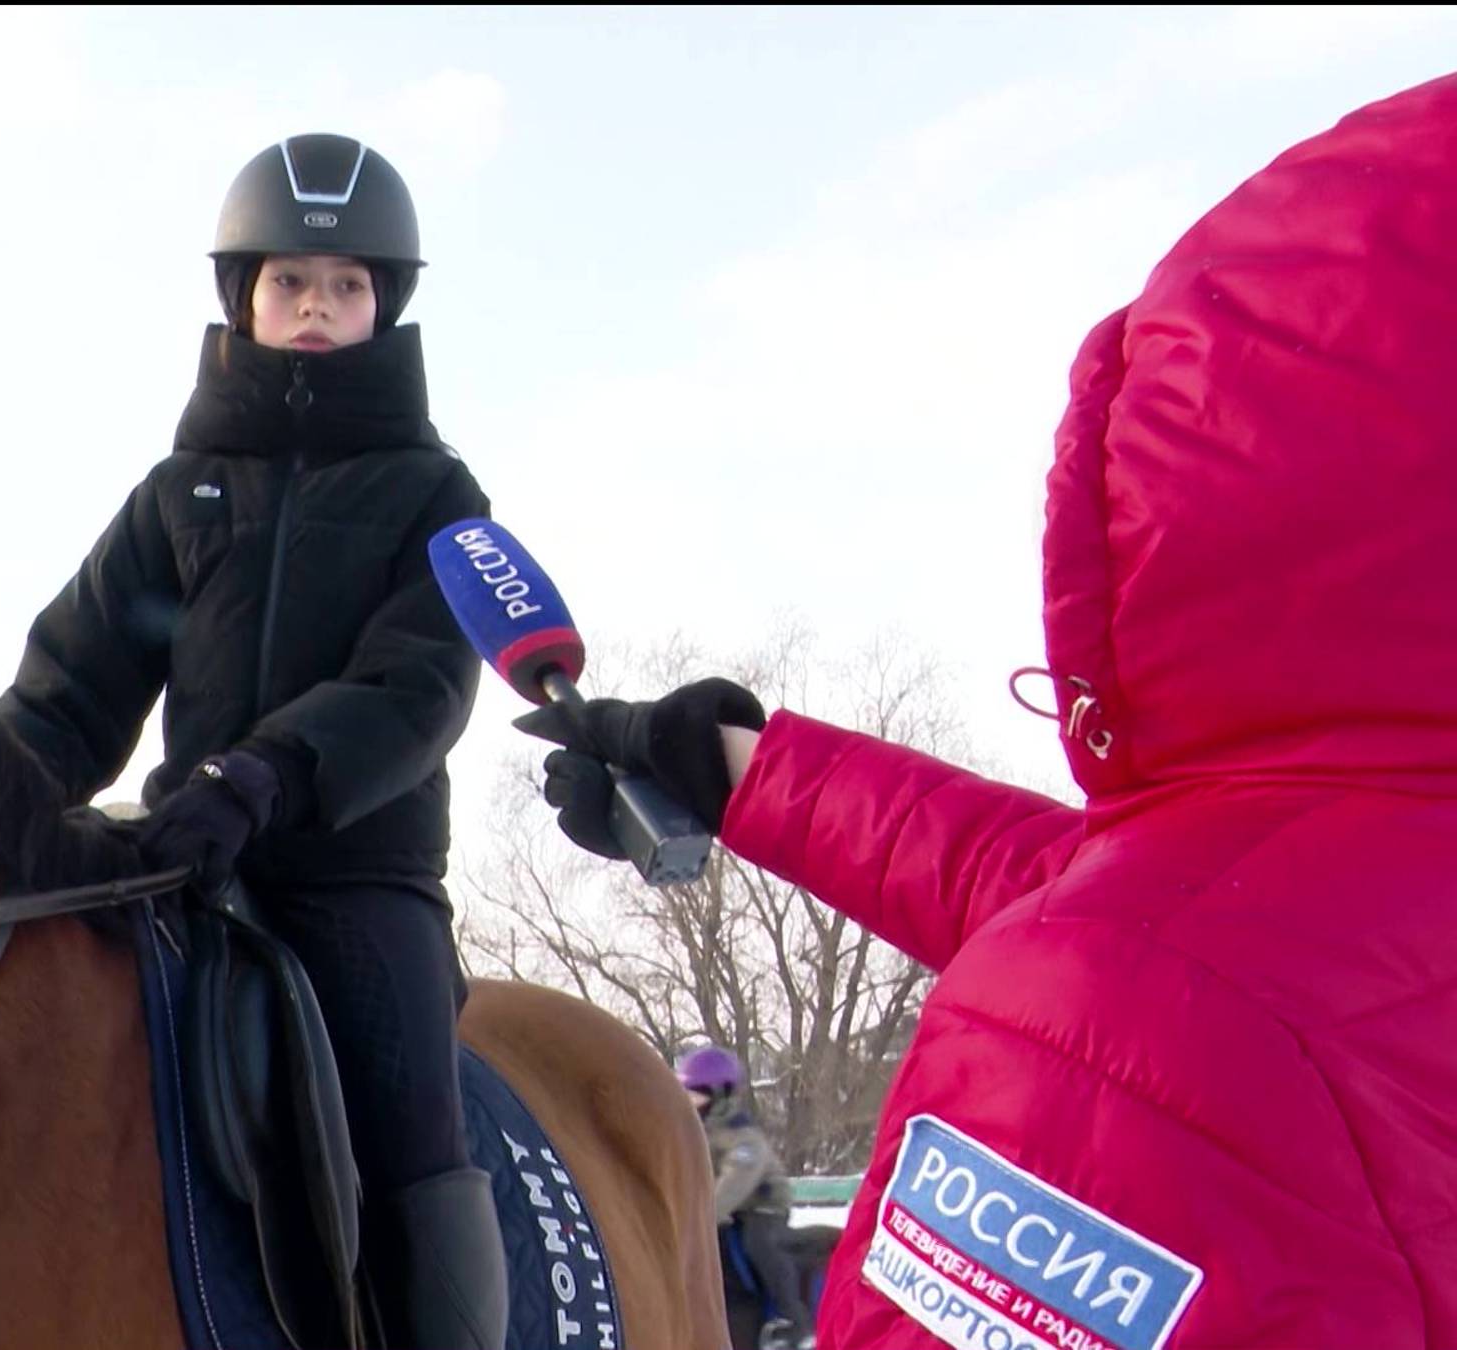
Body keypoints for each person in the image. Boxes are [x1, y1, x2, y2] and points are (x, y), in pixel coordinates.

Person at [519, 74, 1457, 1349]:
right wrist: (744, 772)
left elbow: (1155, 962)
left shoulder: (1150, 1042)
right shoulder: (1331, 889)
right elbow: (1146, 893)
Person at [0, 133, 504, 1349]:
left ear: (384, 305)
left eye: (344, 287)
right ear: (244, 299)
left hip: (355, 876)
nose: (315, 308)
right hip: (185, 864)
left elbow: (418, 683)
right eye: (289, 283)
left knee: (407, 1120)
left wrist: (264, 773)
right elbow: (72, 688)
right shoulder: (180, 491)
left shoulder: (436, 494)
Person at [678, 1047, 815, 1350]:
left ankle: (793, 1319)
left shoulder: (742, 1135)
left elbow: (735, 1182)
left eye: (695, 1092)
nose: (688, 1099)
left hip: (762, 1208)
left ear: (719, 1093)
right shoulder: (695, 1130)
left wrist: (700, 1216)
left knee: (759, 1243)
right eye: (685, 1091)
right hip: (727, 1212)